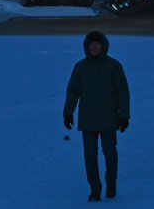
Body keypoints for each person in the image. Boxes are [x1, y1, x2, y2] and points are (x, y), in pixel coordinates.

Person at [61, 30, 131, 201]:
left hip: (108, 118)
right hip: (88, 119)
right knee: (90, 156)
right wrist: (68, 113)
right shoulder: (80, 67)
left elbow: (123, 92)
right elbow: (73, 92)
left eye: (97, 43)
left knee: (110, 153)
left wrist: (124, 115)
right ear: (87, 46)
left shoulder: (114, 66)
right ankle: (95, 189)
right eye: (91, 44)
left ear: (103, 46)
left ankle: (111, 183)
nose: (94, 46)